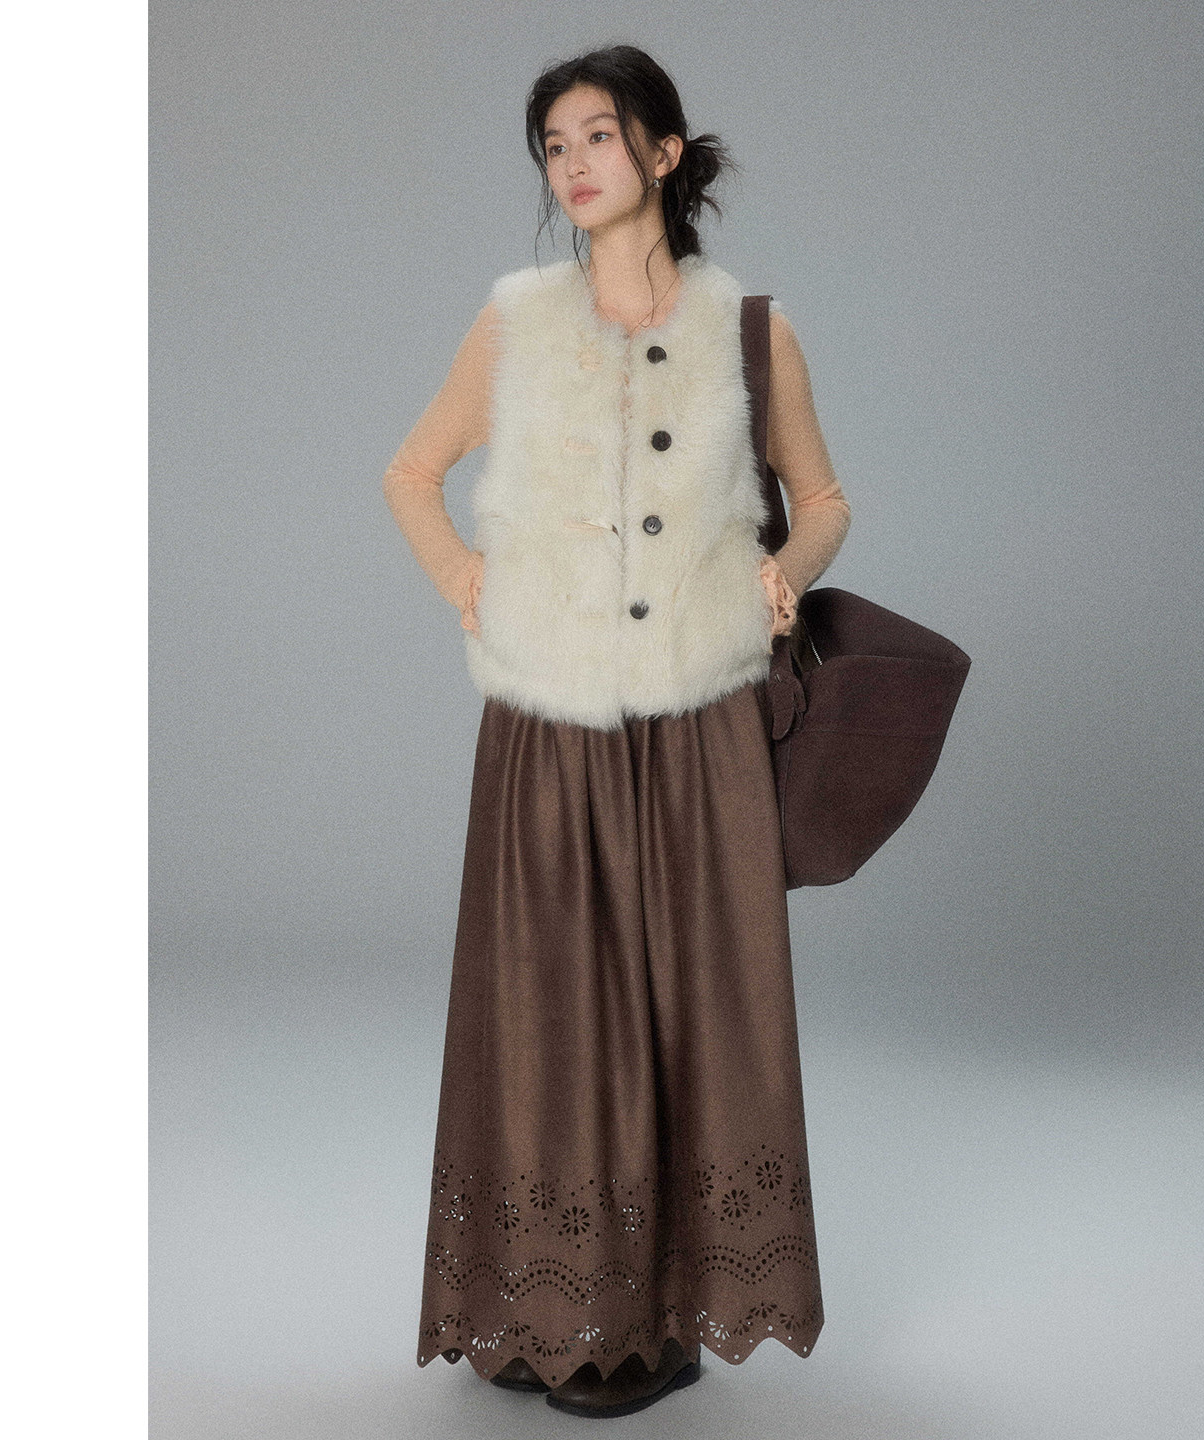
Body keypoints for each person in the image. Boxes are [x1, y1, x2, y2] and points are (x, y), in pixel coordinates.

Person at [382, 43, 852, 1418]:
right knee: (549, 1020)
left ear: (662, 151)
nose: (574, 164)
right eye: (553, 146)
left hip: (702, 734)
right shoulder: (514, 326)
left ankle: (658, 1325)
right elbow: (411, 474)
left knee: (693, 1015)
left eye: (599, 135)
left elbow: (825, 501)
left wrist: (786, 573)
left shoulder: (752, 332)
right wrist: (474, 584)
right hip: (553, 727)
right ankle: (543, 1309)